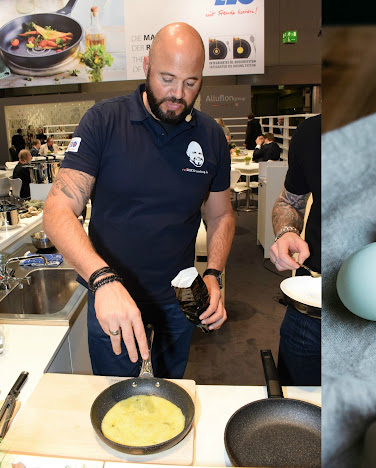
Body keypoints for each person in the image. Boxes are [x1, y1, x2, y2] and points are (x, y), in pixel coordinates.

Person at [43, 22, 235, 379]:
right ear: (146, 65)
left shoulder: (211, 136)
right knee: (115, 397)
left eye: (191, 83)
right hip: (111, 294)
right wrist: (101, 279)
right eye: (167, 78)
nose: (177, 93)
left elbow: (221, 214)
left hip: (179, 298)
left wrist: (213, 274)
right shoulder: (103, 121)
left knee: (171, 395)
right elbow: (57, 210)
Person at [269, 114, 321, 386]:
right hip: (313, 304)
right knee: (297, 410)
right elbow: (289, 202)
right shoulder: (312, 132)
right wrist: (286, 232)